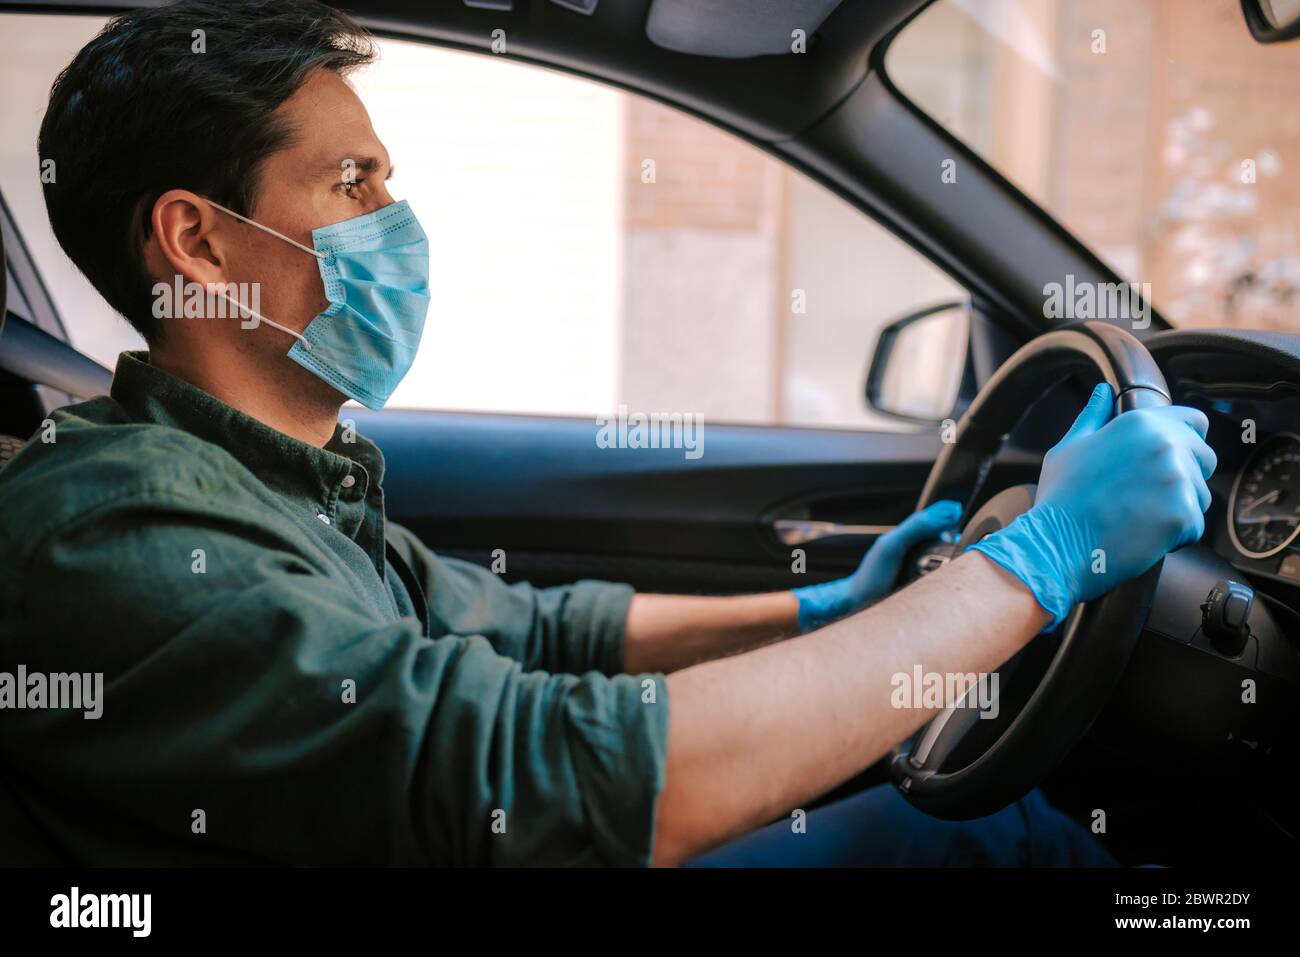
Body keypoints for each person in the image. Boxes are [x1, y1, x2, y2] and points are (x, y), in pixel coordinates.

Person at [0, 0, 1214, 866]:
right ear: (199, 242)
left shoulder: (275, 486)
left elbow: (539, 630)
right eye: (352, 181)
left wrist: (826, 610)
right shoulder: (119, 534)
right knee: (994, 843)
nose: (397, 219)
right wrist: (1038, 560)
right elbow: (547, 773)